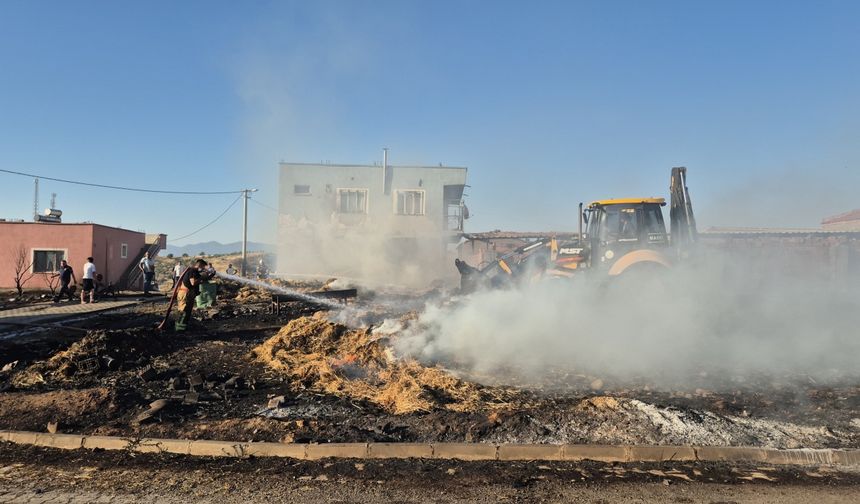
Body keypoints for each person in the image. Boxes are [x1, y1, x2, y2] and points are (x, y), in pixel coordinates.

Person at [174, 258, 212, 331]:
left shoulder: (196, 272)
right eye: (203, 266)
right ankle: (178, 329)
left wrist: (207, 277)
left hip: (189, 294)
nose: (204, 268)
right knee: (183, 311)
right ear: (199, 265)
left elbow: (198, 282)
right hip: (185, 294)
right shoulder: (192, 271)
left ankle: (183, 329)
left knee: (187, 312)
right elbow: (193, 282)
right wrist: (202, 276)